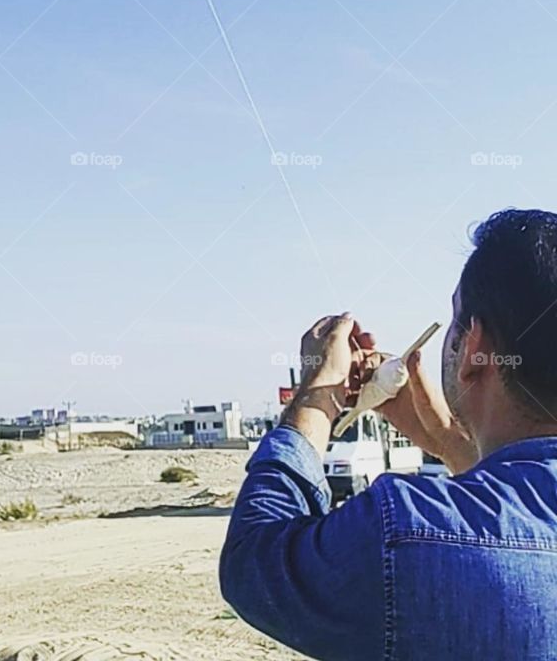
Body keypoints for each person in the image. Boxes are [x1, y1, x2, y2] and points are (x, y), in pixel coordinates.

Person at [219, 208, 557, 660]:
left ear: (473, 349)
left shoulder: (409, 531)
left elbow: (255, 562)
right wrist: (446, 439)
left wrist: (319, 394)